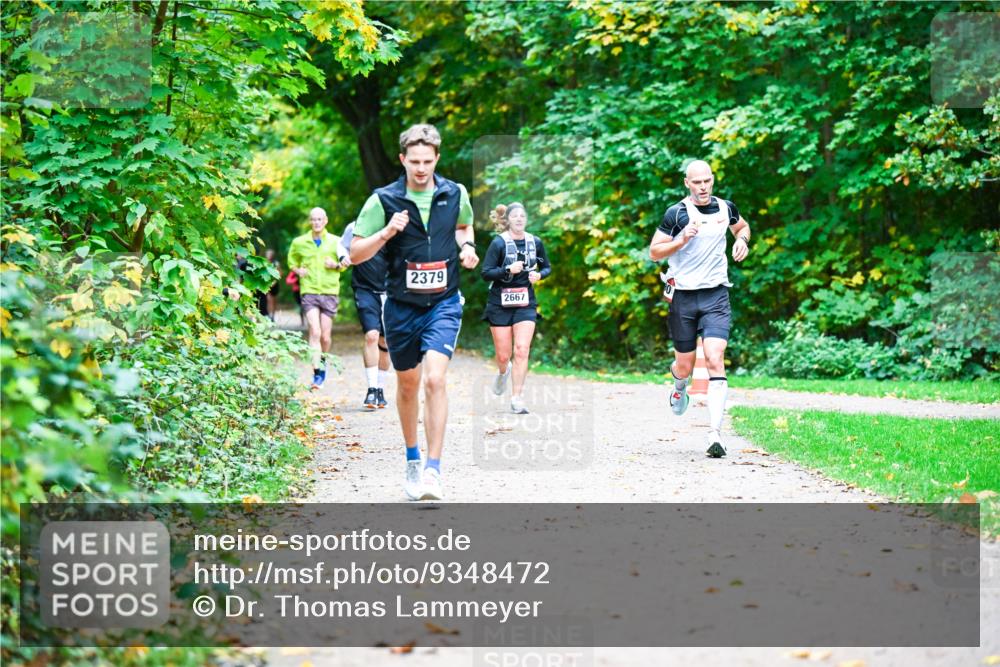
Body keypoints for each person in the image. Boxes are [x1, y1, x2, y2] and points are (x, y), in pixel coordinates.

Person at [350, 124, 478, 501]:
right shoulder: (383, 200)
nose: (421, 169)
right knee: (408, 384)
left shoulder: (454, 192)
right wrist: (387, 233)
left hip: (444, 301)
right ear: (402, 159)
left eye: (428, 161)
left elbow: (463, 224)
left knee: (435, 379)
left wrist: (467, 246)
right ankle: (411, 457)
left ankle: (433, 471)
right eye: (414, 162)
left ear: (437, 158)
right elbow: (356, 253)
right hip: (402, 305)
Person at [648, 160, 751, 458]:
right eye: (697, 182)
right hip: (683, 298)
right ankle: (679, 384)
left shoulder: (725, 207)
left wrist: (741, 240)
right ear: (687, 183)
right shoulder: (677, 213)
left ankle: (714, 435)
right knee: (685, 366)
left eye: (707, 181)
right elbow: (655, 252)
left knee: (716, 359)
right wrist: (681, 240)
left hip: (716, 295)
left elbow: (742, 226)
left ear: (713, 180)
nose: (703, 187)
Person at [480, 203, 551, 414]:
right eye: (515, 216)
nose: (519, 219)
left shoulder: (534, 242)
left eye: (522, 216)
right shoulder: (499, 243)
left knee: (521, 350)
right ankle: (503, 372)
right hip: (499, 304)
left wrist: (540, 275)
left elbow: (546, 266)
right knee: (504, 356)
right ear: (508, 220)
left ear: (526, 219)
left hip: (525, 302)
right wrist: (506, 269)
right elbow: (486, 272)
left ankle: (517, 398)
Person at [287, 207, 349, 390]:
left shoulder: (336, 242)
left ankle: (323, 361)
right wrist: (298, 270)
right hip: (310, 291)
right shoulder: (299, 242)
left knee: (326, 337)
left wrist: (336, 265)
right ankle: (317, 373)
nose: (316, 222)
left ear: (326, 221)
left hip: (330, 292)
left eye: (319, 219)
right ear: (309, 221)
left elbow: (346, 263)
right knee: (315, 331)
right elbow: (291, 261)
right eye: (313, 219)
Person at [339, 220, 391, 410]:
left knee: (385, 342)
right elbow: (342, 246)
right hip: (364, 288)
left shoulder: (393, 227)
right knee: (371, 335)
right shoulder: (355, 227)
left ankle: (380, 389)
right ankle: (371, 388)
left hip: (389, 291)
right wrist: (342, 257)